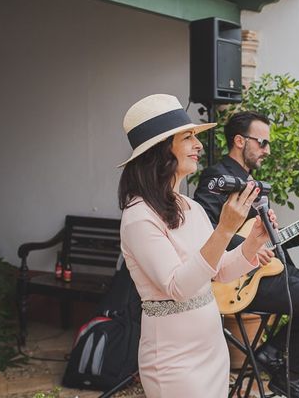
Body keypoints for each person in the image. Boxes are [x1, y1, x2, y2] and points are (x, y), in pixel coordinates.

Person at [118, 95, 274, 398]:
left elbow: (219, 271)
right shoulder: (138, 217)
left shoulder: (190, 206)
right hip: (173, 360)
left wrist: (254, 242)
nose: (199, 145)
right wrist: (226, 228)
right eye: (188, 137)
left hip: (212, 349)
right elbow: (178, 286)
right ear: (160, 150)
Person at [194, 111, 299, 398]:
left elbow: (262, 240)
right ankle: (287, 374)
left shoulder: (250, 181)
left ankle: (273, 356)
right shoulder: (218, 177)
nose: (268, 150)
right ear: (240, 141)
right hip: (241, 280)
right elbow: (205, 231)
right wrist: (243, 250)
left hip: (269, 271)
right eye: (262, 143)